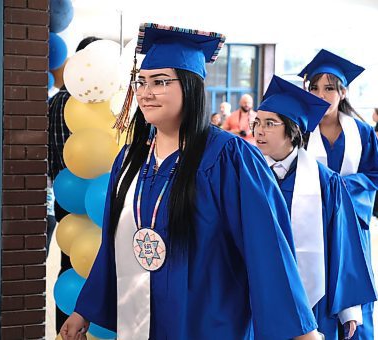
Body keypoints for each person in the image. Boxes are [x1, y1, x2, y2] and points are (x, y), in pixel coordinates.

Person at [60, 23, 322, 340]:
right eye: (140, 82)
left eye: (159, 82)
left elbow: (266, 247)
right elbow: (114, 242)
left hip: (208, 319)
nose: (145, 92)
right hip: (141, 316)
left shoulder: (229, 158)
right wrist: (83, 309)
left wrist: (300, 331)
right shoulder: (130, 159)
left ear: (190, 86)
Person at [253, 75, 378, 340]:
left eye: (269, 124)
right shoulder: (248, 175)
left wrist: (348, 307)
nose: (258, 131)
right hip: (260, 293)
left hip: (313, 296)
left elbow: (343, 245)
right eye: (257, 123)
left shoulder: (325, 182)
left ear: (293, 130)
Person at [298, 49, 378, 340]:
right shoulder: (300, 131)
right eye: (314, 87)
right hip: (310, 224)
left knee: (354, 290)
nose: (321, 94)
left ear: (343, 92)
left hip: (351, 224)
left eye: (329, 88)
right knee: (315, 289)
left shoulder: (362, 132)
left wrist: (341, 187)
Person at [48, 35, 101, 332]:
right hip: (95, 199)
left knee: (69, 265)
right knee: (94, 268)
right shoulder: (89, 105)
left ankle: (64, 329)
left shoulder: (55, 102)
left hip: (64, 195)